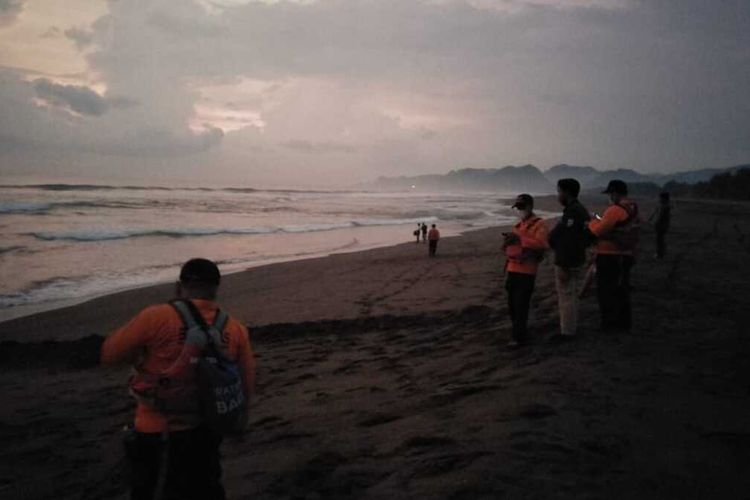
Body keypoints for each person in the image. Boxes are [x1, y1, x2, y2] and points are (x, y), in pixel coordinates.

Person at [101, 258, 256, 500]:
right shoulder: (235, 328)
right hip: (207, 429)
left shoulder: (155, 317)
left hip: (157, 431)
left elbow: (109, 354)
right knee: (207, 488)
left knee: (153, 490)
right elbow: (246, 383)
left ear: (178, 286)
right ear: (216, 288)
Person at [588, 180, 640, 333]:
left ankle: (609, 324)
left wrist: (592, 222)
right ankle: (624, 323)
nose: (609, 197)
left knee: (606, 291)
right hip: (626, 254)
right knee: (622, 290)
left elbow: (599, 231)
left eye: (610, 194)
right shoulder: (633, 208)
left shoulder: (614, 210)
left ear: (615, 193)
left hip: (611, 255)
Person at [502, 194, 550, 347]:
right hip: (512, 268)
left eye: (522, 207)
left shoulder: (539, 224)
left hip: (527, 270)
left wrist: (519, 240)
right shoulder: (518, 226)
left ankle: (519, 337)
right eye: (517, 207)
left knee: (521, 304)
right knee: (512, 304)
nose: (520, 210)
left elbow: (542, 244)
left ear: (530, 206)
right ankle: (518, 331)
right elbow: (513, 245)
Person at [548, 178, 592, 341]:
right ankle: (570, 327)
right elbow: (588, 235)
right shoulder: (580, 210)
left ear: (567, 192)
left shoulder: (573, 211)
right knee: (571, 294)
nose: (558, 195)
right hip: (576, 257)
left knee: (566, 295)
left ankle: (567, 331)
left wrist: (552, 239)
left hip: (567, 259)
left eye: (559, 191)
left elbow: (561, 233)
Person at [649, 192, 671, 259]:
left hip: (661, 226)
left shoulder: (665, 206)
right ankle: (661, 253)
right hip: (663, 225)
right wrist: (651, 217)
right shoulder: (663, 205)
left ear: (664, 199)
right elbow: (656, 211)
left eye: (661, 198)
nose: (659, 199)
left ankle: (659, 254)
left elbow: (660, 217)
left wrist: (654, 223)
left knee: (659, 240)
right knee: (660, 240)